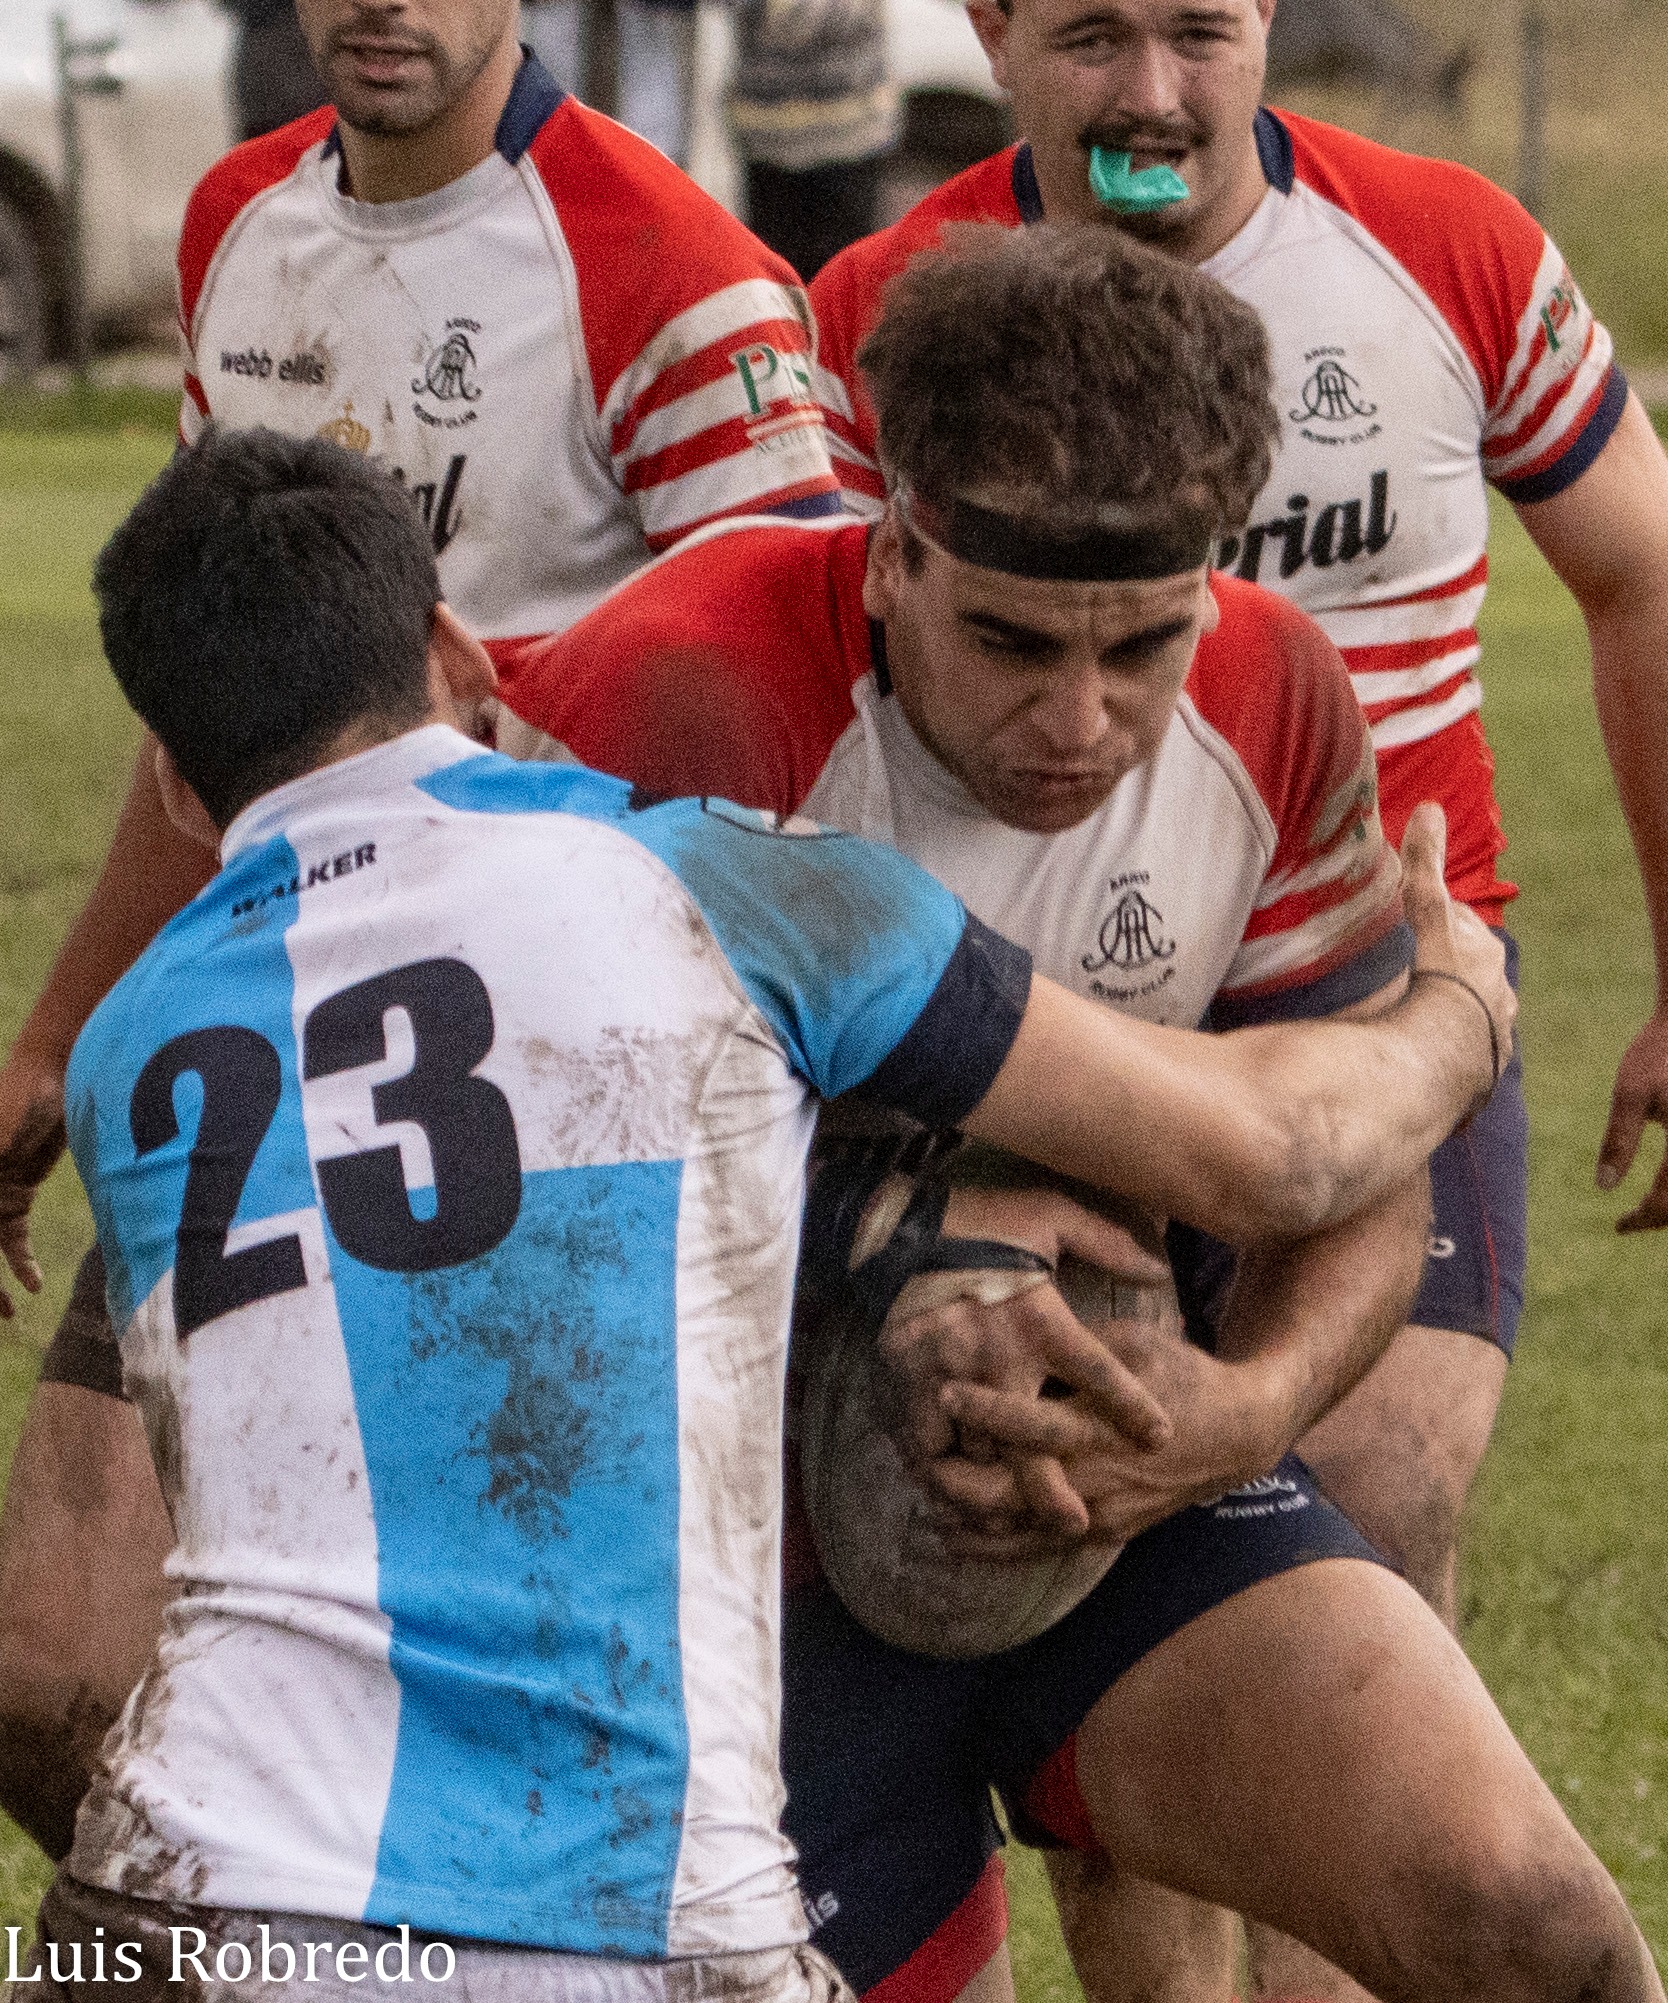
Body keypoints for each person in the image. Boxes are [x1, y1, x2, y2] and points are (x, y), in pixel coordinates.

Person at [21, 423, 1505, 1997]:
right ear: (458, 649)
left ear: (180, 782)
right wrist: (1460, 1009)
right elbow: (1274, 1152)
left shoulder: (133, 1052)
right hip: (607, 1920)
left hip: (167, 1911)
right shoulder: (724, 884)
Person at [478, 223, 1666, 2003]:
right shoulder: (673, 701)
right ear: (890, 551)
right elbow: (500, 1202)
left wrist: (1237, 1404)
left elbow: (1347, 1158)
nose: (1081, 719)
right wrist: (883, 1250)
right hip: (715, 1576)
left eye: (1143, 647)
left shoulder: (1271, 693)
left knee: (1539, 1938)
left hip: (1118, 1488)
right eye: (1013, 642)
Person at [805, 8, 1668, 1992]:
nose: (1153, 96)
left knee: (1373, 1485)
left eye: (1202, 28)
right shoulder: (879, 315)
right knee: (1073, 1517)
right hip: (1026, 1039)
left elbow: (1641, 570)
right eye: (1094, 33)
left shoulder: (1452, 253)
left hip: (1388, 1000)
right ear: (990, 30)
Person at [0, 0, 844, 1846]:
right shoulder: (238, 221)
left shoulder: (677, 275)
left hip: (543, 1097)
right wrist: (58, 1041)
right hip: (264, 1030)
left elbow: (808, 714)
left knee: (575, 1718)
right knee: (45, 1669)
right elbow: (214, 712)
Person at [729, 0, 899, 279]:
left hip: (848, 139)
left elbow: (822, 18)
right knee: (778, 277)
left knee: (844, 276)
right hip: (771, 142)